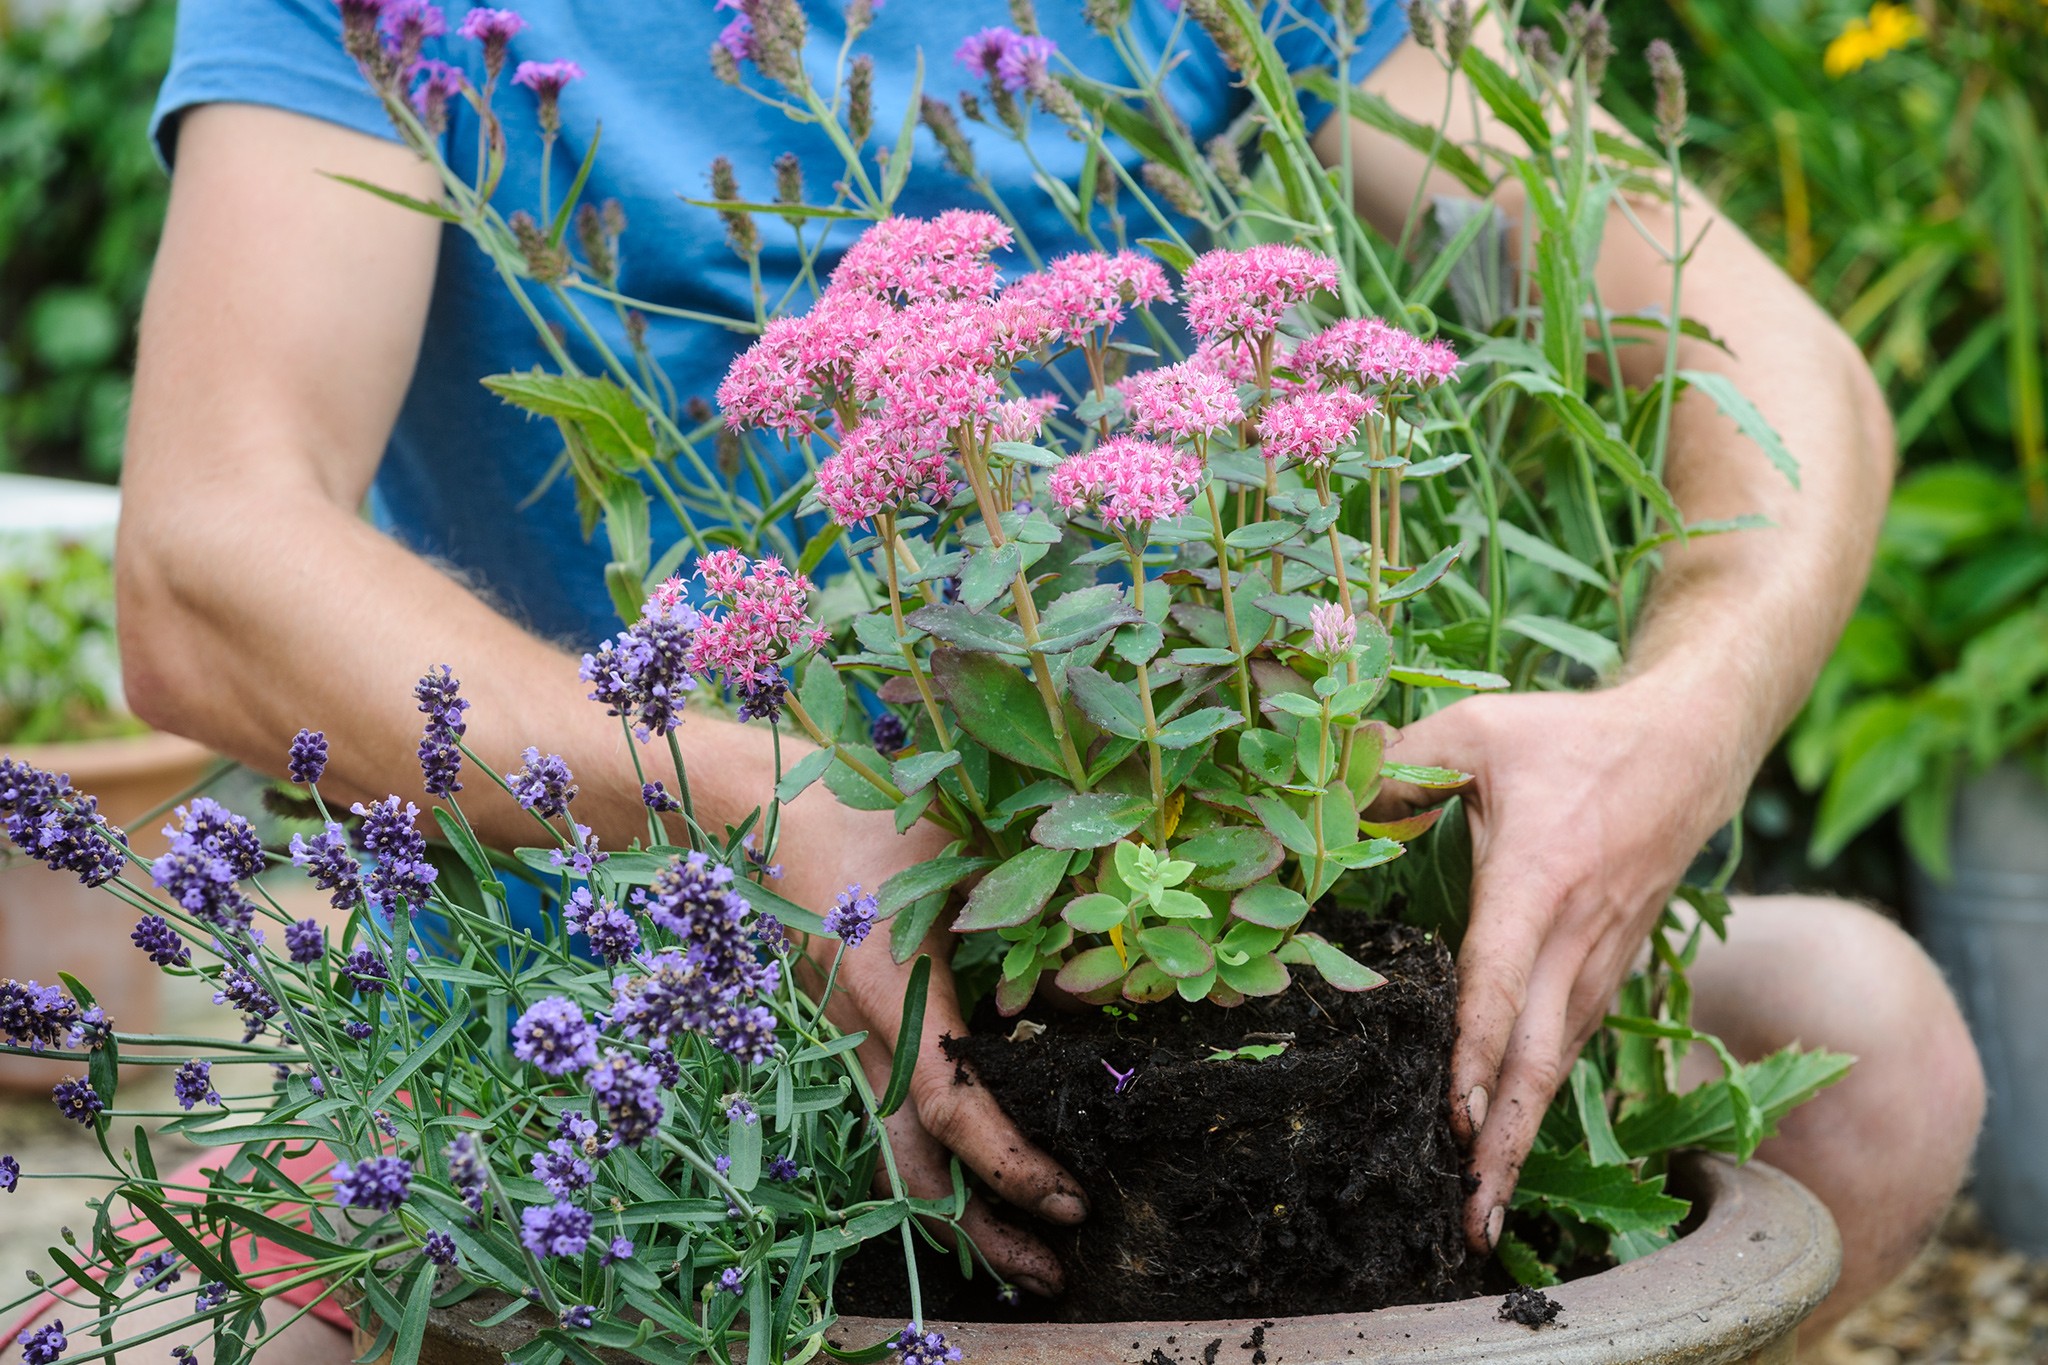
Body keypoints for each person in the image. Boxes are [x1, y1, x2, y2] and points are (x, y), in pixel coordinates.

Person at [60, 0, 1980, 1354]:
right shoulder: (385, 28)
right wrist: (755, 801)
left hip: (1172, 992)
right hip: (629, 1046)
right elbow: (205, 554)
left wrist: (1672, 725)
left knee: (1858, 1038)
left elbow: (1775, 368)